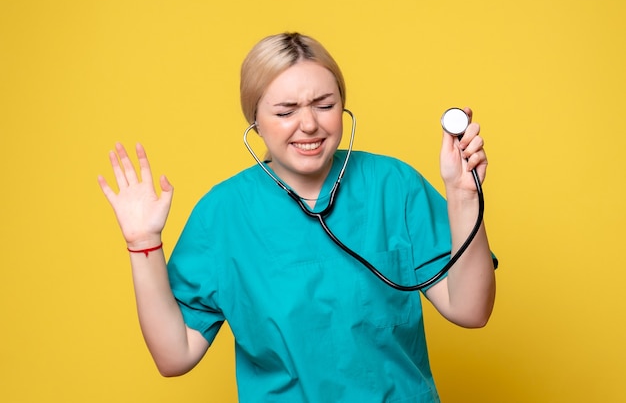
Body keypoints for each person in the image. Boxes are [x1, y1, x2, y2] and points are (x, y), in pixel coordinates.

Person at [98, 32, 496, 402]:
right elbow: (175, 356)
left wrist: (464, 198)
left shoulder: (393, 185)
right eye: (286, 111)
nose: (309, 124)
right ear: (254, 121)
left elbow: (470, 311)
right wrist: (142, 242)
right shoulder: (224, 213)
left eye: (325, 105)